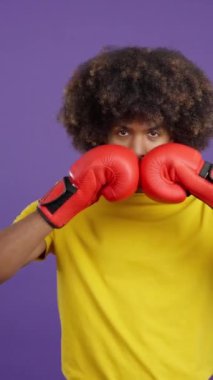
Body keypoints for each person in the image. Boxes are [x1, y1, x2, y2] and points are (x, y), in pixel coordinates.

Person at [1, 46, 213, 380]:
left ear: (179, 135)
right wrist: (60, 203)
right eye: (123, 132)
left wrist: (209, 183)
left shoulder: (205, 212)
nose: (138, 149)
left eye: (153, 133)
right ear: (101, 135)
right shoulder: (72, 209)